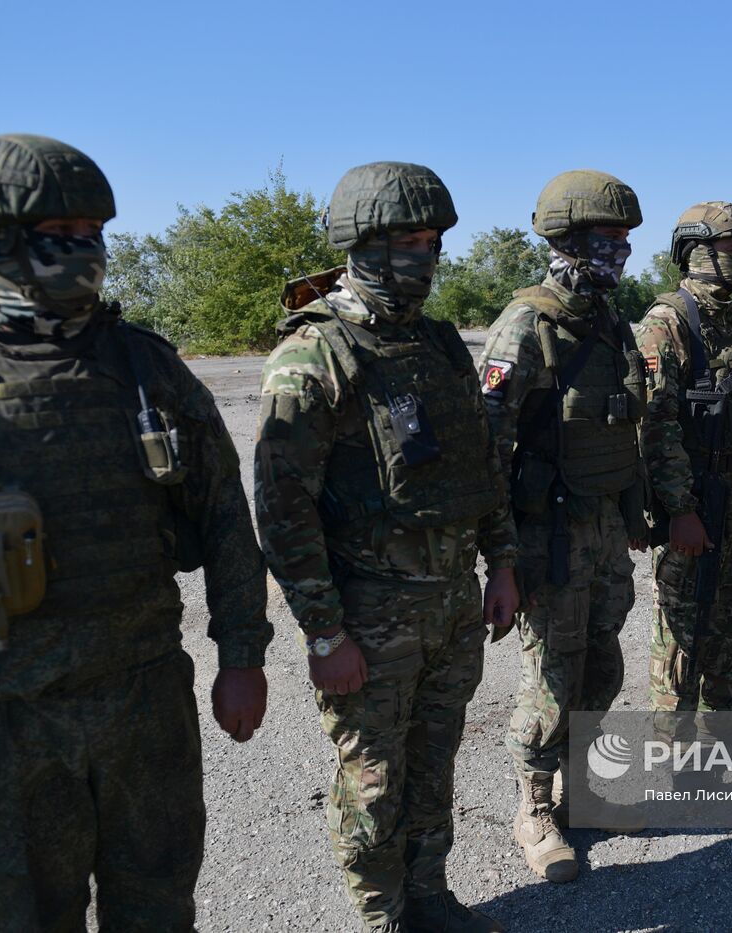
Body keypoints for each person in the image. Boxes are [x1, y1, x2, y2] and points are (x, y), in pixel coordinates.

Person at [0, 134, 272, 930]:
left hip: (144, 703)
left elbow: (224, 513)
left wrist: (242, 654)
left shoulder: (143, 366)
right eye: (65, 234)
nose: (88, 251)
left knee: (158, 907)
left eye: (95, 233)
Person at [253, 162, 518, 933]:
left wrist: (501, 563)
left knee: (434, 765)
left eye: (433, 239)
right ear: (359, 243)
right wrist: (325, 631)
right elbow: (282, 508)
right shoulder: (316, 353)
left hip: (451, 604)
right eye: (407, 237)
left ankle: (431, 897)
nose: (424, 253)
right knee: (373, 785)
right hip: (368, 617)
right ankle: (383, 919)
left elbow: (481, 465)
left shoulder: (437, 343)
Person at [478, 169, 647, 883]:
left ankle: (585, 790)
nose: (620, 250)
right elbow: (487, 451)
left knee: (603, 664)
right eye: (608, 237)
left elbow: (630, 417)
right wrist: (500, 560)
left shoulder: (609, 319)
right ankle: (533, 808)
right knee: (550, 677)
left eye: (624, 239)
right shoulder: (527, 323)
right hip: (547, 531)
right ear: (569, 240)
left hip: (604, 523)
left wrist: (636, 506)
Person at [635, 202, 732, 711]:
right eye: (731, 250)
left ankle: (720, 713)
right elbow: (655, 425)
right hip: (697, 495)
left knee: (731, 611)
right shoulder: (668, 321)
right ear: (696, 252)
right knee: (682, 621)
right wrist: (680, 510)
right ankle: (673, 742)